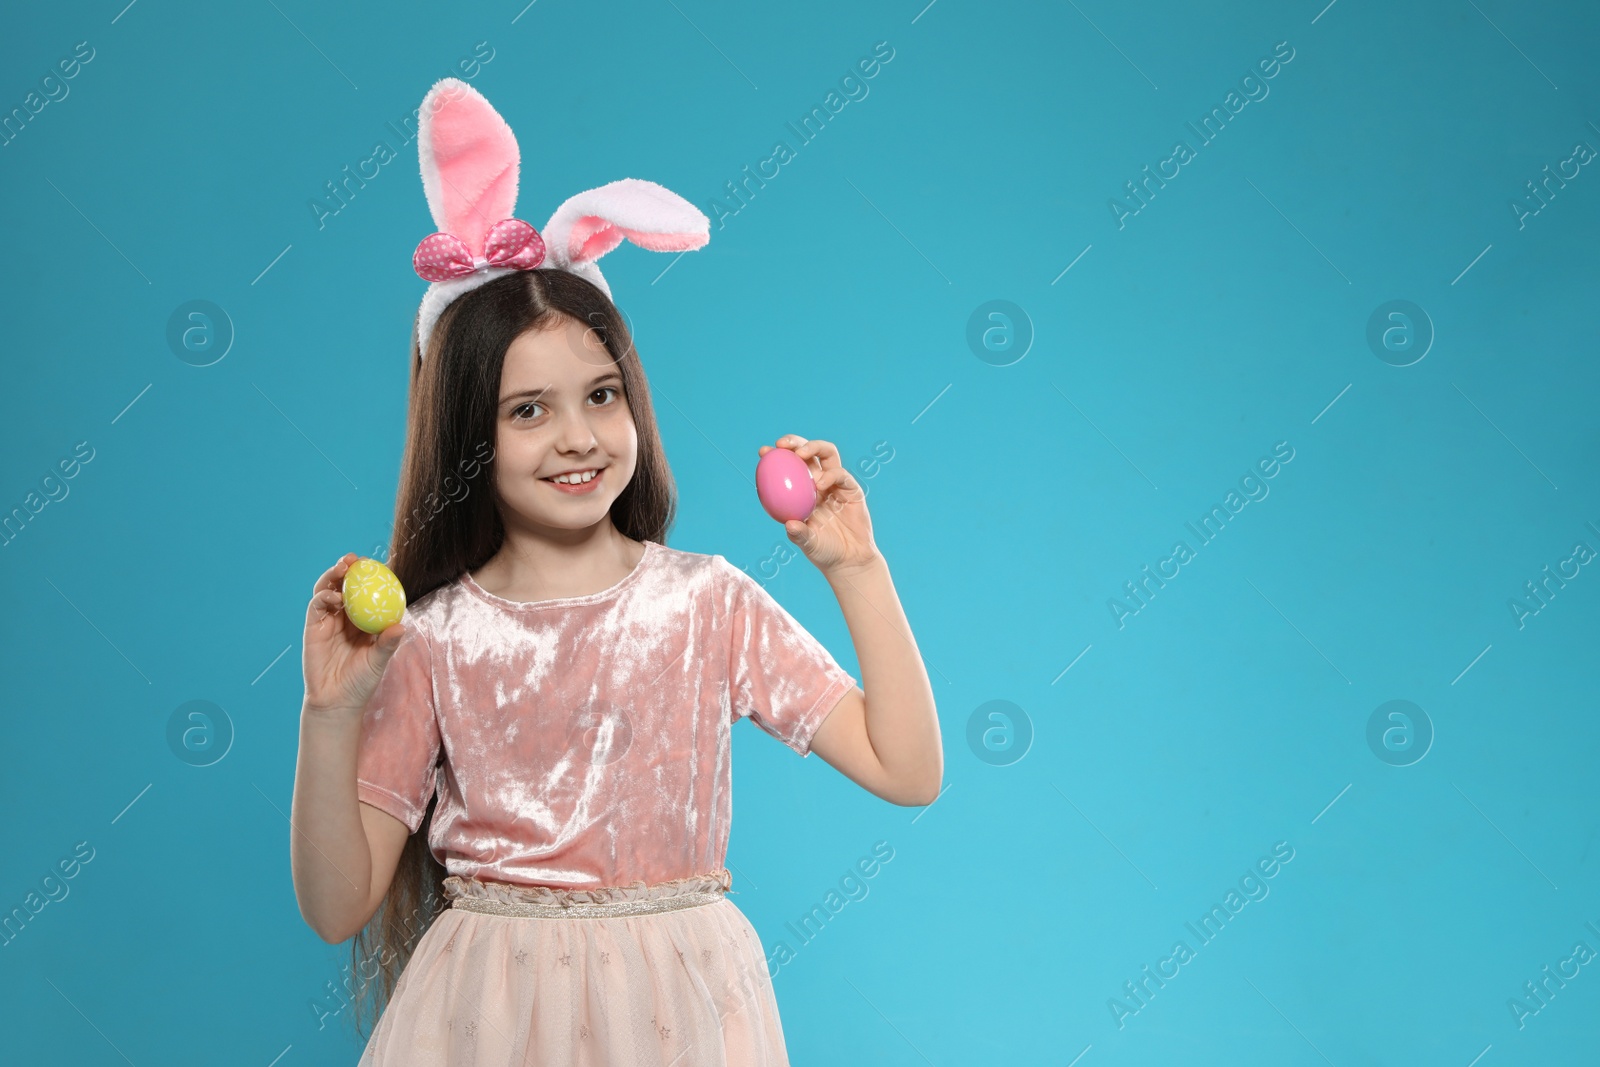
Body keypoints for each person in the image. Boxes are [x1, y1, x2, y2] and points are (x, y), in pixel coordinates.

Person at [288, 78, 941, 1066]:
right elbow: (338, 908)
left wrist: (857, 567)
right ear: (468, 433)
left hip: (680, 1007)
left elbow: (908, 768)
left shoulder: (707, 601)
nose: (579, 437)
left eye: (600, 394)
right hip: (487, 1017)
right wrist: (329, 714)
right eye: (526, 410)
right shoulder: (431, 638)